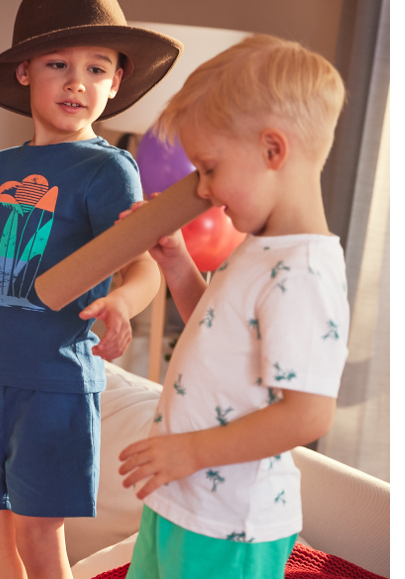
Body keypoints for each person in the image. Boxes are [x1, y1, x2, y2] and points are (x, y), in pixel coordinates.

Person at [0, 1, 181, 577]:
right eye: (58, 64)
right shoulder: (3, 165)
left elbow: (146, 266)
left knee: (37, 532)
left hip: (57, 387)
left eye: (97, 69)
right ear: (25, 70)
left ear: (116, 80)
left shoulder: (108, 169)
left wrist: (122, 304)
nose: (77, 83)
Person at [118, 34, 349, 579]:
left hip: (230, 523)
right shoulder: (259, 247)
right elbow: (218, 332)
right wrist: (177, 265)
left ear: (273, 150)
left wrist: (190, 452)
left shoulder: (304, 272)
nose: (202, 189)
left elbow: (308, 413)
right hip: (183, 503)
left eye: (210, 167)